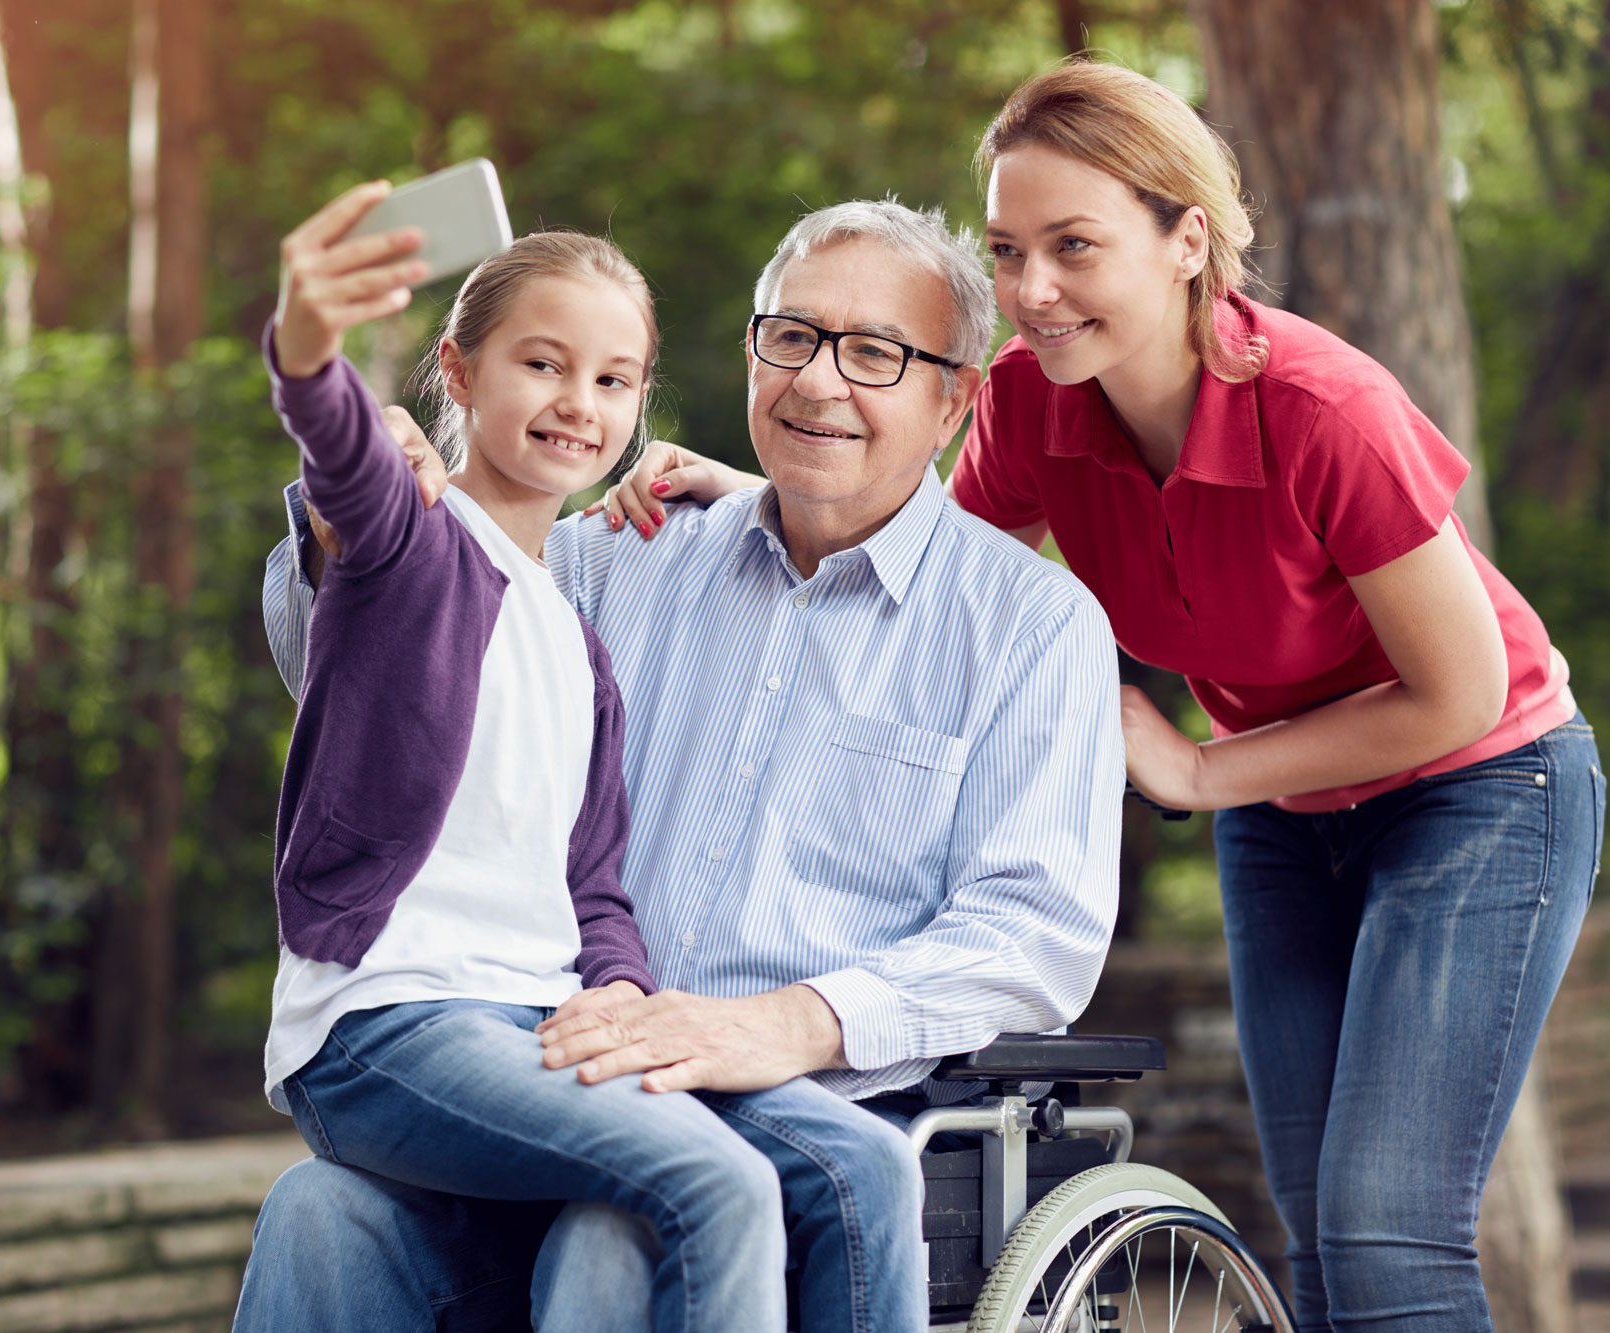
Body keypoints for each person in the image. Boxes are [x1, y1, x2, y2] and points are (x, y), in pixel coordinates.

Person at [604, 62, 1606, 1333]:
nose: (1031, 291)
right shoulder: (1025, 402)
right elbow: (906, 564)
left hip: (1481, 784)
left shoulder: (1321, 409)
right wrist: (759, 489)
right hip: (1285, 797)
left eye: (1074, 245)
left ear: (1186, 239)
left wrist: (1192, 773)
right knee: (1312, 1229)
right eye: (1009, 249)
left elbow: (1459, 693)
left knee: (1384, 1227)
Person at [237, 198, 1125, 1332]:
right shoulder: (621, 553)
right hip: (560, 1051)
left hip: (811, 1099)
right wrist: (340, 519)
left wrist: (782, 1023)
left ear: (953, 399)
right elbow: (379, 671)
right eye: (790, 337)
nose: (816, 382)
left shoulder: (1028, 626)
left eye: (874, 354)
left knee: (630, 1230)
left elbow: (1031, 932)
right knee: (319, 1209)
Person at [259, 181, 787, 1333]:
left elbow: (592, 885)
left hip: (528, 1025)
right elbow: (339, 445)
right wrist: (307, 341)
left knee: (644, 1214)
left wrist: (620, 1000)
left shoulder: (578, 648)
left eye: (610, 381)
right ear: (456, 371)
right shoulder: (409, 540)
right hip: (389, 1023)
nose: (576, 404)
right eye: (541, 365)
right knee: (720, 1178)